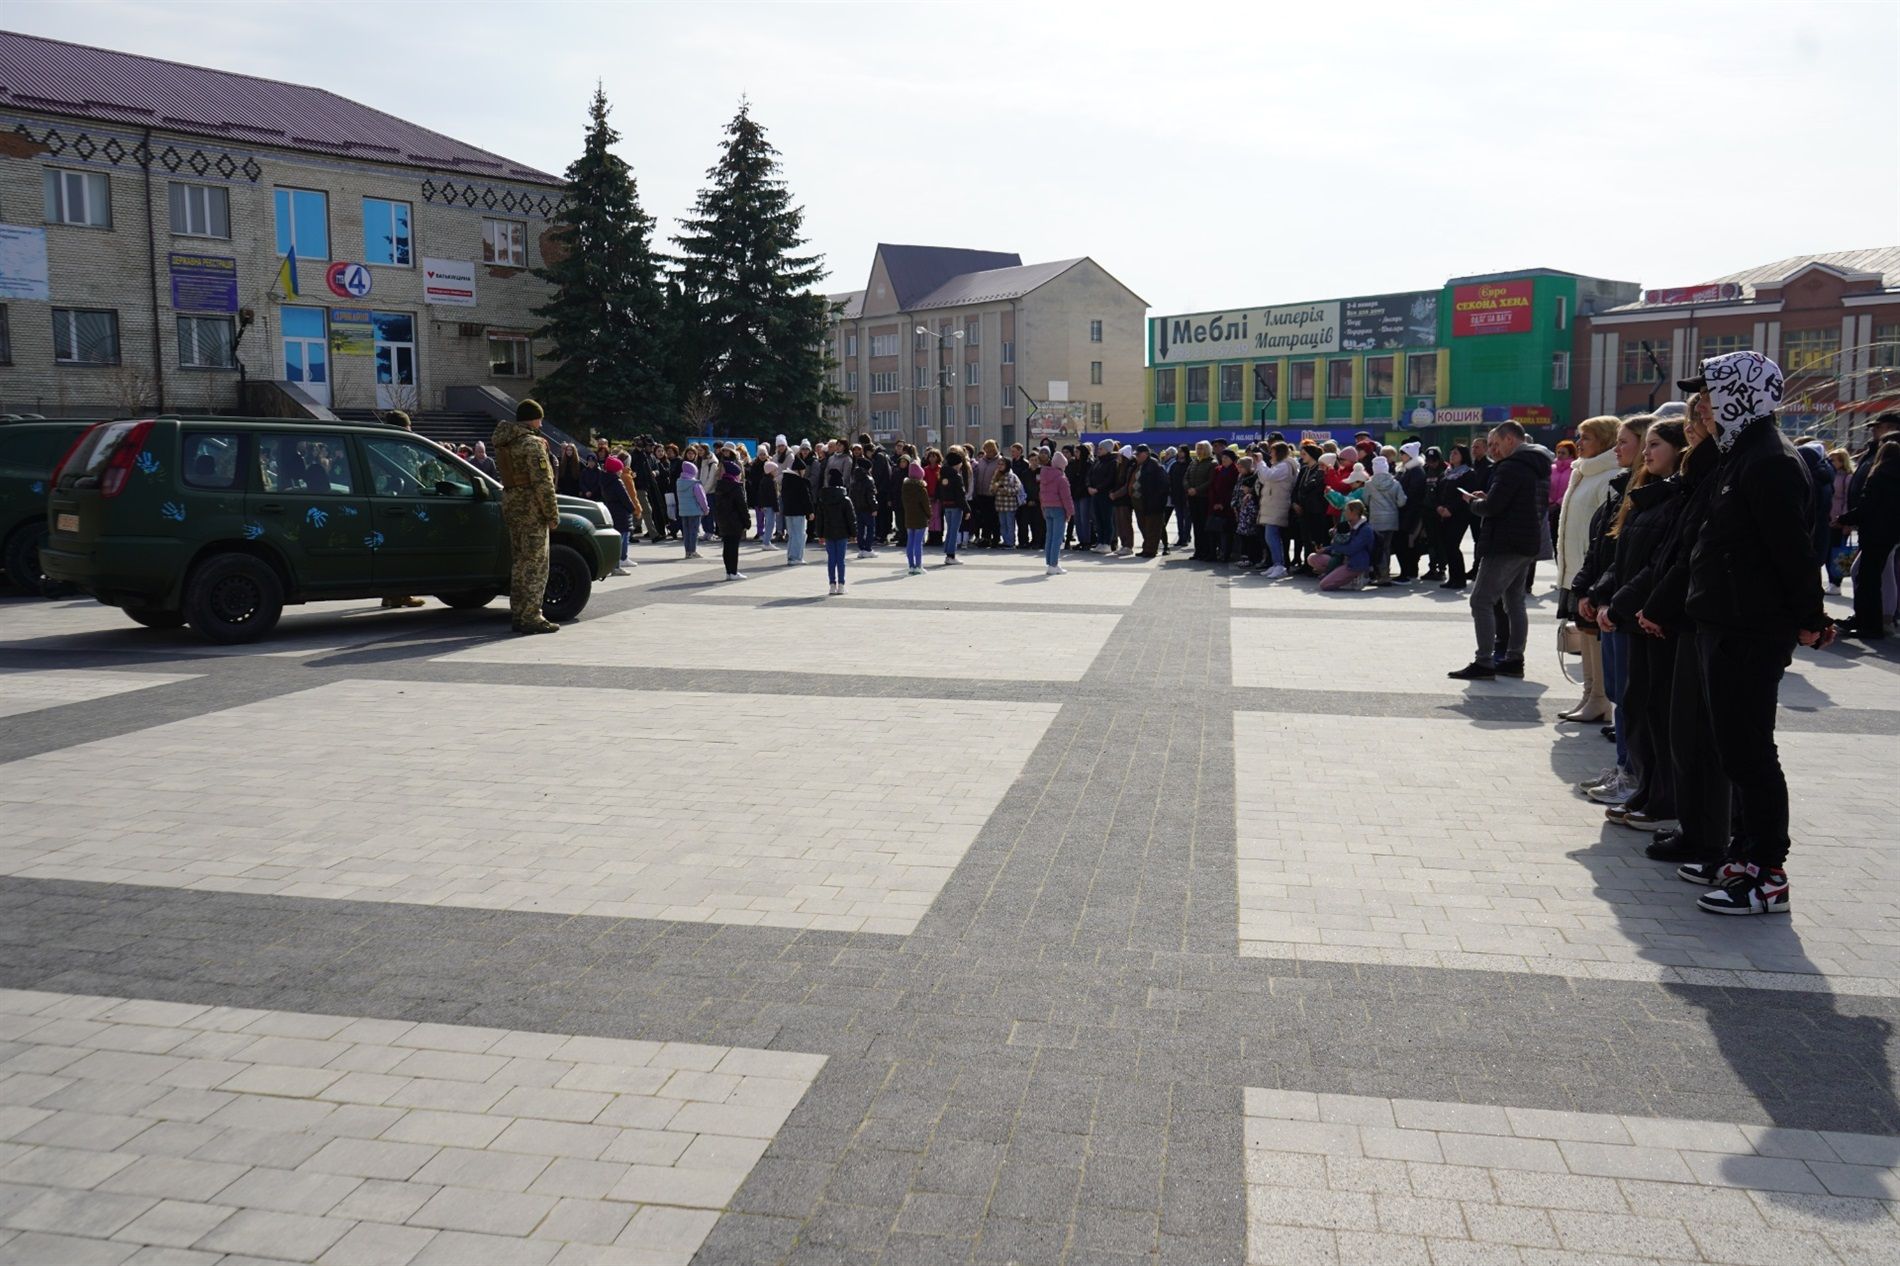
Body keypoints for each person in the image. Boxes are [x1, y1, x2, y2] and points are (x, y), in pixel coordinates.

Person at [1677, 351, 1834, 915]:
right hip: (1726, 621)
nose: (1703, 406)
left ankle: (1769, 874)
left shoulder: (1769, 460)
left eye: (1711, 394)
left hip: (1750, 628)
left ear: (1741, 394)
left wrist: (1812, 618)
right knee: (1734, 749)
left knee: (1749, 753)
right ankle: (1744, 855)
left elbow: (1793, 549)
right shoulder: (1741, 453)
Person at [1588, 421, 1688, 833]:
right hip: (1630, 612)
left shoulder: (1677, 497)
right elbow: (1620, 555)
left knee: (1653, 709)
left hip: (1651, 617)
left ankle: (1656, 793)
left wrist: (1622, 602)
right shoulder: (1647, 493)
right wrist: (1601, 591)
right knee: (1635, 702)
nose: (1647, 452)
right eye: (1644, 445)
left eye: (1654, 445)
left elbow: (1662, 563)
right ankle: (1645, 786)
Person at [1448, 421, 1551, 680]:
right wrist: (1489, 497)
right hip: (1526, 541)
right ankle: (1514, 659)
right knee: (1514, 601)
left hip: (1505, 542)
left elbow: (1493, 508)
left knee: (1481, 600)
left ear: (1510, 440)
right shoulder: (1536, 464)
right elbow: (1516, 502)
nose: (1492, 450)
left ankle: (1484, 662)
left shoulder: (1511, 466)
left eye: (1495, 444)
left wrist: (1474, 503)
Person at [1553, 416, 1624, 723]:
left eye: (1587, 438)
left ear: (1605, 441)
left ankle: (1600, 699)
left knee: (1594, 636)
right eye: (1579, 436)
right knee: (1585, 634)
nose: (1579, 443)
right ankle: (1589, 694)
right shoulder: (1582, 471)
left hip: (1591, 571)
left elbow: (1605, 533)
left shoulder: (1610, 475)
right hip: (1576, 572)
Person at [491, 399, 560, 635]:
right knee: (536, 565)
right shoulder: (532, 444)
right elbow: (543, 483)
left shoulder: (507, 442)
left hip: (513, 507)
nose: (541, 424)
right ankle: (531, 616)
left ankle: (519, 613)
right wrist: (552, 513)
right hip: (531, 510)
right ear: (534, 419)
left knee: (520, 563)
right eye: (539, 419)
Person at [1838, 436, 1900, 641]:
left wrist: (1844, 519)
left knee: (1866, 578)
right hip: (1891, 534)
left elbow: (1867, 505)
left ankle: (1869, 623)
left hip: (1874, 533)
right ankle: (1873, 620)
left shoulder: (1880, 474)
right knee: (1872, 576)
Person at [1308, 501, 1375, 591]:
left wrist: (1335, 544)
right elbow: (1342, 545)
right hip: (1342, 559)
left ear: (1354, 512)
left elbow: (1351, 549)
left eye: (1347, 511)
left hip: (1355, 563)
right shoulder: (1349, 525)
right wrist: (1325, 550)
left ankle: (1355, 578)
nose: (1344, 513)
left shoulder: (1365, 530)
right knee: (1312, 558)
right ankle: (1339, 575)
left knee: (1324, 585)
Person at [1362, 455, 1408, 586]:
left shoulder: (1369, 484)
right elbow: (1402, 501)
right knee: (1386, 547)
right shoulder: (1395, 483)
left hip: (1376, 520)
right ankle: (1385, 573)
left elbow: (1365, 500)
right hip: (1392, 520)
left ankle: (1383, 575)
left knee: (1379, 548)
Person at [817, 467, 855, 595]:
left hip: (828, 532)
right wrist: (853, 534)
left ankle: (832, 584)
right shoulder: (845, 499)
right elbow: (851, 518)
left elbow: (820, 519)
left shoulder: (823, 499)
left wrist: (820, 534)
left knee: (831, 559)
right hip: (842, 532)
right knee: (841, 560)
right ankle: (841, 585)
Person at [597, 454, 637, 575]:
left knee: (615, 542)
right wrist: (632, 508)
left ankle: (612, 566)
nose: (621, 471)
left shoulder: (605, 480)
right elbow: (625, 498)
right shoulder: (616, 482)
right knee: (620, 541)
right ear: (615, 470)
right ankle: (616, 567)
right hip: (621, 513)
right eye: (619, 469)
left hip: (612, 510)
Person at [713, 459, 749, 580]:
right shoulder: (735, 487)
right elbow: (742, 506)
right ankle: (733, 572)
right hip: (735, 521)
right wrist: (747, 522)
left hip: (723, 521)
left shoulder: (720, 486)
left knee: (727, 547)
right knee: (733, 548)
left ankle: (729, 571)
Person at [1039, 450, 1074, 575]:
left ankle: (1050, 563)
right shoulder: (1061, 478)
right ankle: (1053, 565)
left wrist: (1043, 508)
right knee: (1057, 538)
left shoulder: (1044, 475)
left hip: (1047, 508)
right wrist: (1070, 512)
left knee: (1049, 536)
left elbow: (1041, 494)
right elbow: (1066, 497)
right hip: (1059, 509)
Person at [1132, 444, 1169, 559]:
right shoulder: (1143, 465)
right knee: (1146, 528)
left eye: (1138, 454)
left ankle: (1151, 550)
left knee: (1153, 529)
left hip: (1154, 503)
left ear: (1145, 454)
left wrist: (1157, 501)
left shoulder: (1154, 466)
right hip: (1145, 502)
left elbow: (1164, 485)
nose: (1136, 457)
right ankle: (1146, 548)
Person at [936, 447, 970, 565]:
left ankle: (947, 553)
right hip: (956, 506)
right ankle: (951, 555)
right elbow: (960, 495)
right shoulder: (956, 476)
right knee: (954, 531)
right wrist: (967, 509)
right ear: (957, 464)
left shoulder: (942, 474)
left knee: (950, 530)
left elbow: (939, 491)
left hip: (946, 506)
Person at [780, 453, 812, 566]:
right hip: (799, 511)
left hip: (788, 511)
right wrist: (810, 511)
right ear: (799, 470)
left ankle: (791, 556)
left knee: (792, 535)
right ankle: (797, 557)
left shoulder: (785, 480)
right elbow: (806, 498)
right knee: (799, 534)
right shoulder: (800, 482)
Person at [676, 456, 708, 560]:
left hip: (683, 512)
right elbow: (701, 499)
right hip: (694, 511)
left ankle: (687, 552)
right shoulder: (695, 484)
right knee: (694, 531)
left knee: (686, 532)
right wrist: (706, 509)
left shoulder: (679, 482)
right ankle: (693, 551)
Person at [901, 461, 930, 575]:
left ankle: (911, 566)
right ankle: (918, 566)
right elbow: (926, 505)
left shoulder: (905, 487)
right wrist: (929, 515)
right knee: (918, 543)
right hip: (920, 518)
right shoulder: (921, 488)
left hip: (909, 516)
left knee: (910, 542)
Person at [990, 456, 1025, 551]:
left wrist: (1004, 489)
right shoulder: (996, 475)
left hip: (1010, 505)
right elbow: (991, 489)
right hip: (1000, 505)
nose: (1000, 466)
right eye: (999, 464)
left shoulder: (1012, 476)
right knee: (1003, 524)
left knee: (1010, 524)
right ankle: (1005, 541)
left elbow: (1017, 489)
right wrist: (994, 488)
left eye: (1002, 464)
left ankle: (1010, 542)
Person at [850, 454, 879, 559]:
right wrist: (874, 507)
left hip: (858, 508)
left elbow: (852, 495)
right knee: (870, 529)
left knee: (860, 529)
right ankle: (868, 549)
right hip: (868, 508)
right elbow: (871, 495)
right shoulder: (868, 480)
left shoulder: (854, 479)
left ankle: (861, 549)